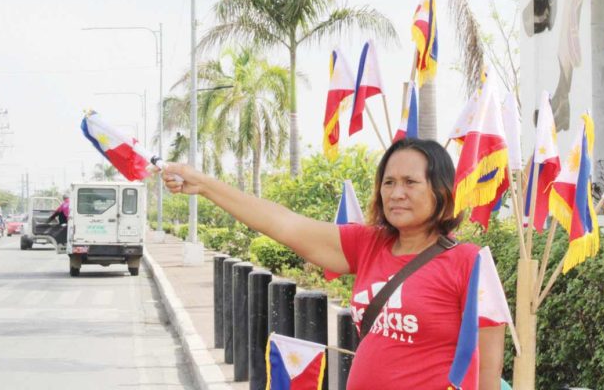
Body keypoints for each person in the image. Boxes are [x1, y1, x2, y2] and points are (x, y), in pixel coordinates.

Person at [162, 138, 505, 389]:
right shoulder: (367, 244)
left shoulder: (470, 263)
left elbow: (487, 371)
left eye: (411, 182)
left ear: (441, 191)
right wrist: (205, 186)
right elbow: (284, 224)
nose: (396, 193)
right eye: (388, 182)